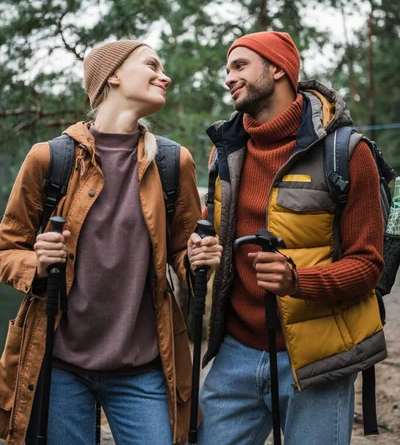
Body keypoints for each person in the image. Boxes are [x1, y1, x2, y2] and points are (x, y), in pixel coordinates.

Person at [0, 39, 222, 445]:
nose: (165, 75)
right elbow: (6, 250)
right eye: (151, 64)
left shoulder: (174, 163)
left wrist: (197, 258)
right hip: (60, 365)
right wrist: (38, 262)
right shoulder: (50, 160)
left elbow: (183, 254)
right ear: (113, 75)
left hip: (144, 368)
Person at [187, 31, 386, 445]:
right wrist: (198, 246)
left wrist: (298, 282)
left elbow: (368, 265)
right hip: (235, 352)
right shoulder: (224, 151)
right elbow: (212, 225)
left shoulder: (348, 152)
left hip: (318, 358)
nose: (228, 78)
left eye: (240, 66)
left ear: (278, 68)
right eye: (227, 69)